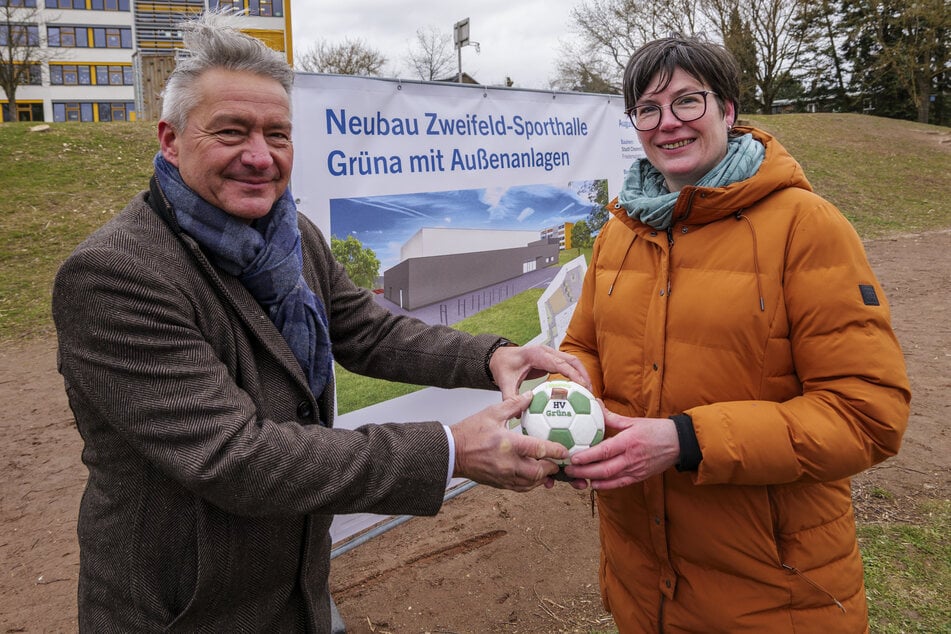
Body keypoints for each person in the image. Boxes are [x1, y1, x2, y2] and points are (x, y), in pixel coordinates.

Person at [51, 11, 590, 633]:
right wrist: (448, 452)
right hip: (186, 608)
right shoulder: (115, 276)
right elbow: (234, 458)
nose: (260, 156)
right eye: (231, 131)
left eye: (277, 134)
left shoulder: (291, 233)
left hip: (295, 583)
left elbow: (367, 329)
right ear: (170, 139)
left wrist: (490, 356)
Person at [559, 36, 910, 632]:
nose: (667, 123)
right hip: (640, 580)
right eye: (648, 108)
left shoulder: (807, 227)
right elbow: (583, 348)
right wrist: (562, 403)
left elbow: (867, 414)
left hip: (772, 592)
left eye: (688, 102)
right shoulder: (620, 232)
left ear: (727, 109)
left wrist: (687, 441)